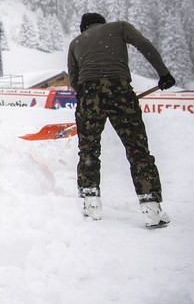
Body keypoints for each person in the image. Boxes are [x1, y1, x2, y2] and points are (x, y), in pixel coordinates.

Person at [67, 12, 176, 228]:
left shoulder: (76, 42)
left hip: (89, 95)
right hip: (120, 90)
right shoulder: (119, 27)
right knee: (138, 149)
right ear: (101, 23)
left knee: (88, 151)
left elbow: (74, 78)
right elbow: (144, 44)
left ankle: (91, 205)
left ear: (84, 28)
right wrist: (163, 73)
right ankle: (151, 208)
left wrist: (89, 98)